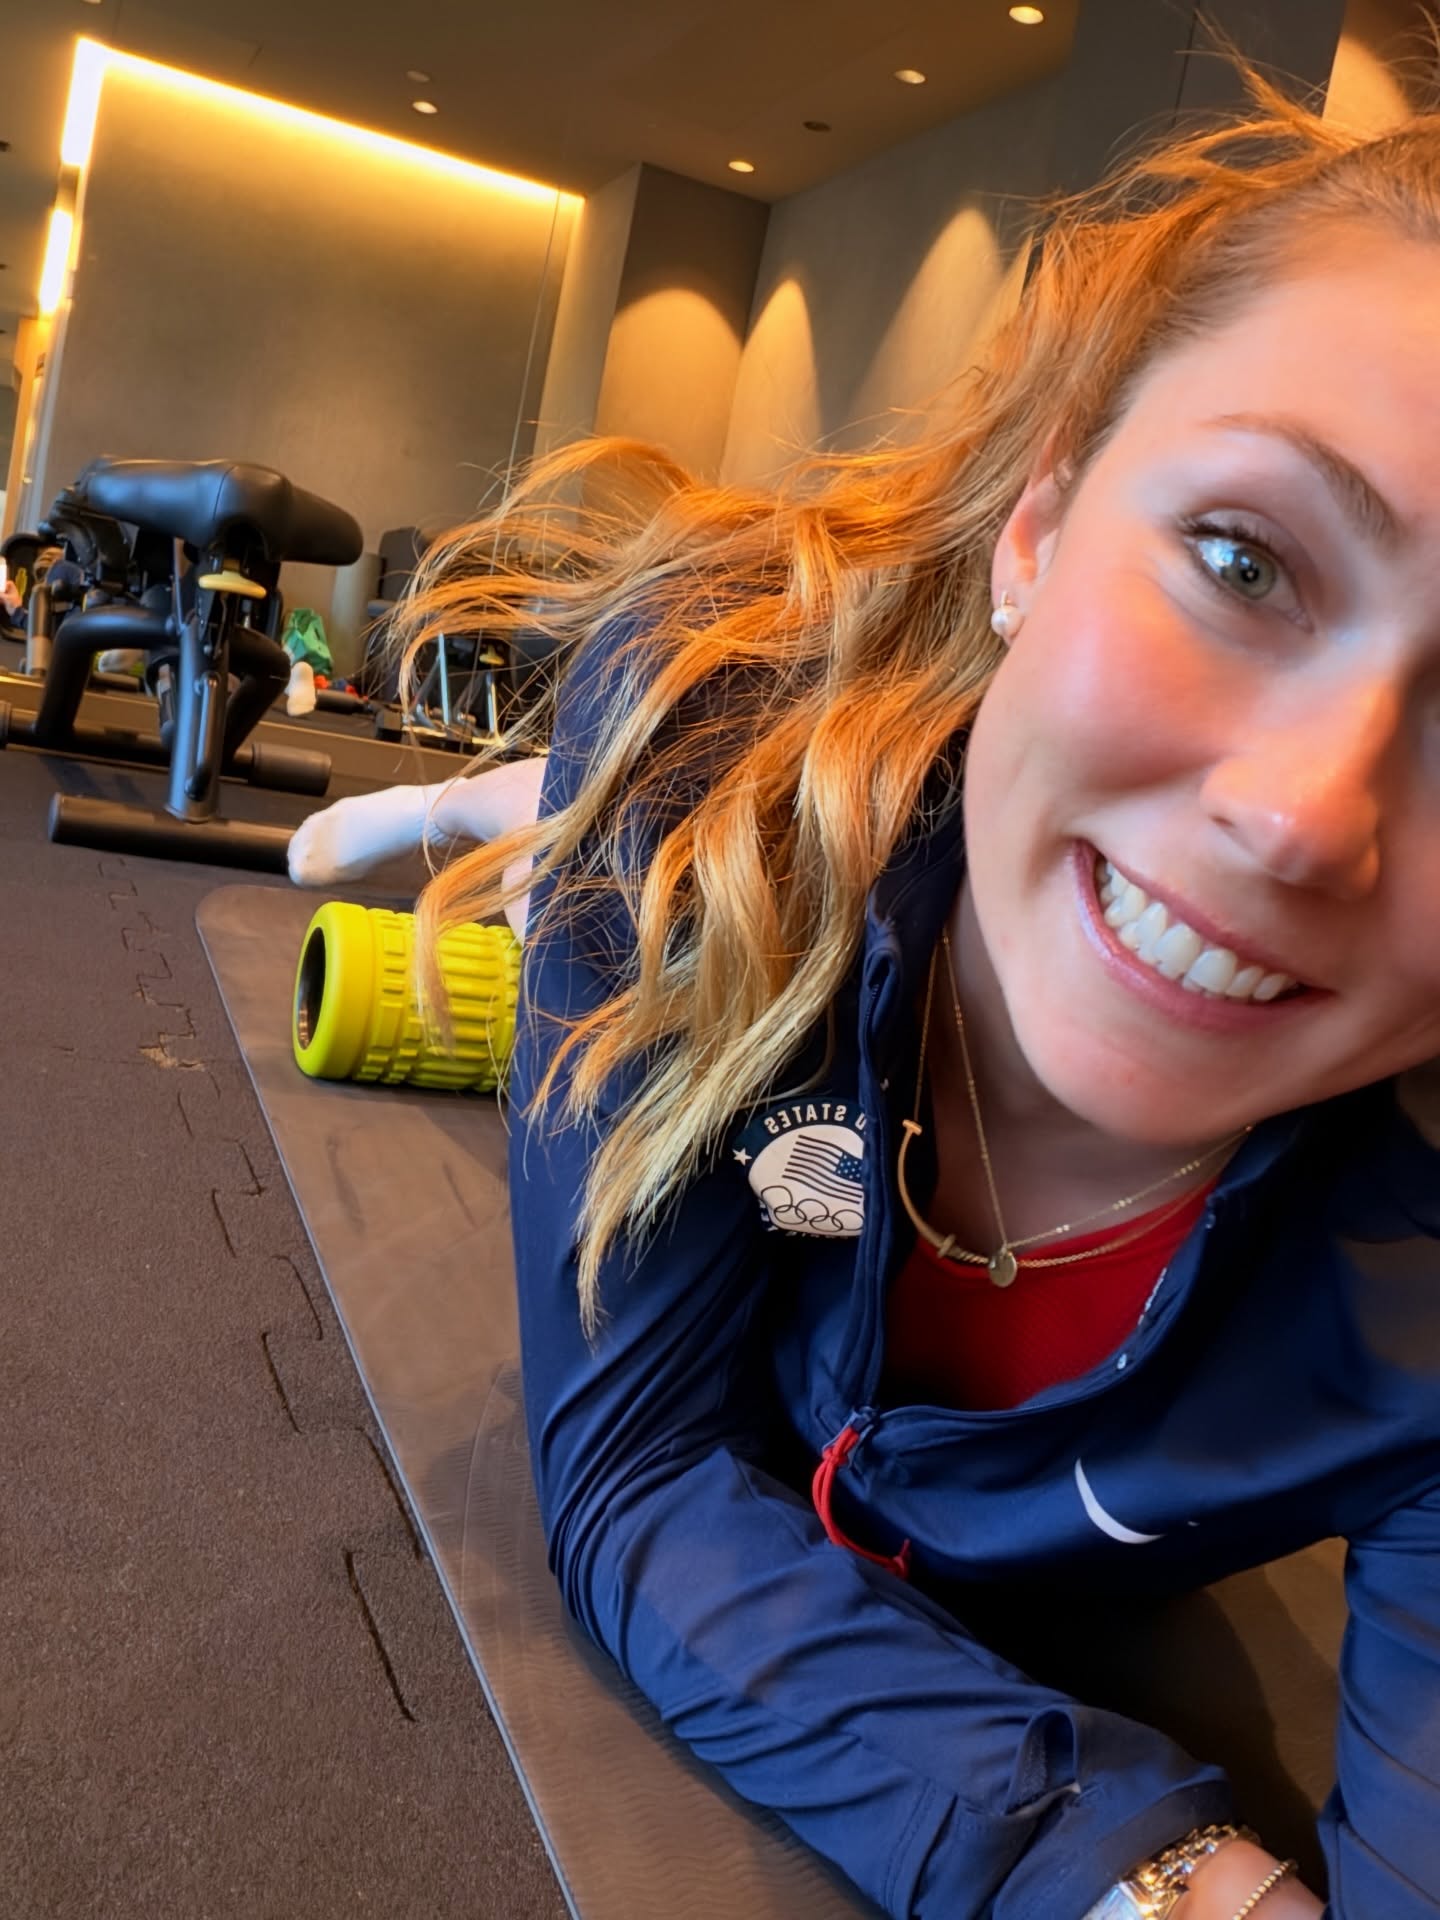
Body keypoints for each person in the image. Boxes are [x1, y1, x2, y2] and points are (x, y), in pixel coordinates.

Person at [305, 71, 1440, 1920]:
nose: (1304, 819)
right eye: (1242, 562)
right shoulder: (711, 758)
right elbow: (639, 1475)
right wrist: (1158, 1877)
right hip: (796, 771)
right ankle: (492, 807)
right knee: (614, 833)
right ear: (1040, 529)